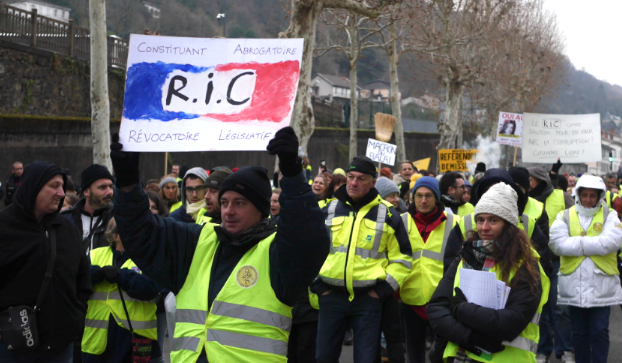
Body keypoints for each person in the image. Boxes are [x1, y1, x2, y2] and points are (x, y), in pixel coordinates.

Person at [109, 127, 330, 362]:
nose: (229, 211)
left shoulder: (276, 252)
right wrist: (128, 185)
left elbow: (308, 238)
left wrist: (294, 176)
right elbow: (142, 234)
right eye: (224, 202)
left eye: (240, 203)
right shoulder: (196, 242)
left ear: (261, 210)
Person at [428, 182, 549, 363]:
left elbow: (510, 322)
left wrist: (461, 309)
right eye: (480, 219)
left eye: (493, 220)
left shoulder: (526, 264)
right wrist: (471, 338)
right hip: (461, 355)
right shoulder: (466, 256)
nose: (484, 227)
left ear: (508, 224)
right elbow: (436, 308)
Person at [312, 156, 412, 363]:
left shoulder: (388, 215)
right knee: (323, 357)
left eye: (361, 178)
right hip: (331, 297)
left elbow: (402, 259)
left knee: (366, 359)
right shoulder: (328, 210)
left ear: (373, 182)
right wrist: (318, 285)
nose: (354, 183)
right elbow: (309, 251)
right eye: (350, 177)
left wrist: (382, 291)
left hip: (368, 300)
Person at [0, 161, 92, 362]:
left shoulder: (67, 229)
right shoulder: (5, 228)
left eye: (62, 186)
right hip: (12, 346)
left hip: (59, 348)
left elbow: (82, 280)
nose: (61, 193)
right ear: (32, 186)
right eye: (53, 186)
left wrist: (74, 319)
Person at [549, 175, 622, 363]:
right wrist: (593, 244)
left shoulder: (610, 214)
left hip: (602, 286)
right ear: (577, 195)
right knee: (579, 333)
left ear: (599, 197)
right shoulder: (565, 215)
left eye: (592, 195)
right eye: (584, 195)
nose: (588, 199)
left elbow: (612, 242)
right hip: (574, 285)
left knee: (599, 331)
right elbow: (557, 244)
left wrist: (575, 243)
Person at [82, 218, 161, 362]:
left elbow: (151, 288)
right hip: (97, 341)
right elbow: (79, 277)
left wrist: (121, 275)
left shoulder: (148, 258)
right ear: (115, 236)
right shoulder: (95, 255)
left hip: (134, 341)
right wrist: (99, 273)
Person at [399, 176, 460, 363]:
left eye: (428, 196)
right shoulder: (400, 221)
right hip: (409, 298)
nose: (423, 200)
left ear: (437, 198)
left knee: (441, 354)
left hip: (442, 300)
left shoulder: (455, 222)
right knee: (414, 353)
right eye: (419, 196)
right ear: (412, 197)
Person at [61, 164, 114, 254]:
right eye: (102, 187)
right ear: (86, 191)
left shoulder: (116, 219)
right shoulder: (66, 219)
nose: (109, 192)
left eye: (111, 187)